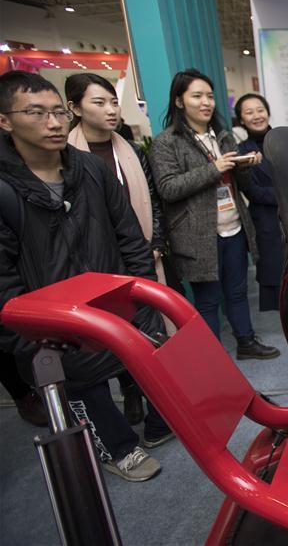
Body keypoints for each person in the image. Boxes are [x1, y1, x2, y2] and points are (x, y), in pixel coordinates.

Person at [0, 70, 166, 481]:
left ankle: (155, 424)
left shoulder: (91, 169)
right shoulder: (5, 189)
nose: (53, 123)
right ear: (5, 121)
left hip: (112, 298)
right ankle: (118, 447)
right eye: (36, 113)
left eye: (57, 111)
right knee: (82, 387)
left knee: (144, 361)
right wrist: (27, 339)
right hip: (53, 318)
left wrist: (141, 295)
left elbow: (130, 235)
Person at [64, 72, 173, 426]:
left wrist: (155, 241)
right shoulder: (67, 157)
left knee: (143, 328)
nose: (111, 110)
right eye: (99, 102)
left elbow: (152, 198)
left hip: (137, 252)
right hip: (95, 262)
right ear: (74, 108)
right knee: (106, 333)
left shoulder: (126, 147)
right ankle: (129, 392)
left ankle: (148, 396)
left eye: (113, 102)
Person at [149, 69, 279, 360]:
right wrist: (214, 168)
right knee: (208, 301)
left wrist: (247, 165)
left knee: (237, 292)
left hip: (233, 226)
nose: (206, 102)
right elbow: (168, 188)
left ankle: (246, 341)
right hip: (197, 236)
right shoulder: (166, 142)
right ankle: (213, 356)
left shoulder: (222, 137)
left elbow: (240, 184)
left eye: (209, 96)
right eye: (197, 96)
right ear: (179, 101)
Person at [234, 93, 281, 311]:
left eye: (260, 109)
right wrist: (287, 195)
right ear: (241, 119)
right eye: (249, 112)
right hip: (266, 222)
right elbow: (251, 191)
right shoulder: (241, 151)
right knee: (277, 280)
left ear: (268, 111)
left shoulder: (285, 139)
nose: (257, 116)